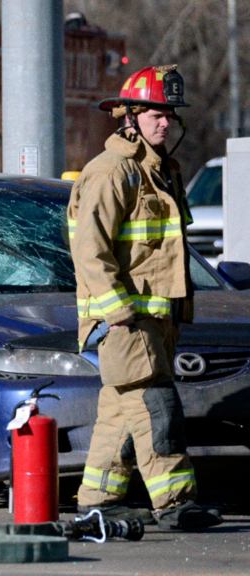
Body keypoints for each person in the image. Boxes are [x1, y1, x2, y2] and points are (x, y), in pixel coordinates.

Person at [68, 64, 222, 531]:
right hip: (125, 320)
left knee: (119, 412)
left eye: (169, 115)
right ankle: (176, 501)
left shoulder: (159, 172)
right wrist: (118, 311)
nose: (165, 122)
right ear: (129, 116)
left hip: (153, 319)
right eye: (156, 113)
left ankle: (99, 499)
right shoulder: (111, 171)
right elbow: (89, 248)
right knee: (157, 406)